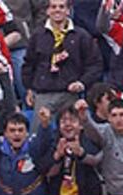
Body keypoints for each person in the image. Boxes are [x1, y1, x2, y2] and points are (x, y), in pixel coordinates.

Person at [22, 0, 103, 132]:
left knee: (77, 134)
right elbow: (29, 64)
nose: (57, 10)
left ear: (68, 10)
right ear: (47, 11)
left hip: (70, 95)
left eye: (61, 7)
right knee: (38, 136)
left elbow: (95, 64)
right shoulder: (37, 35)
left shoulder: (81, 36)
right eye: (53, 7)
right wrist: (29, 88)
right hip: (44, 94)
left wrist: (82, 83)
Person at [46, 101, 102, 195]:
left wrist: (81, 153)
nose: (68, 124)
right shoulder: (52, 141)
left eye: (72, 120)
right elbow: (48, 173)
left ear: (81, 125)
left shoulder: (89, 140)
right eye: (63, 121)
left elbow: (97, 160)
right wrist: (58, 157)